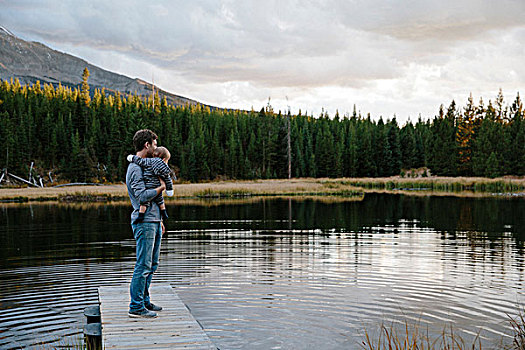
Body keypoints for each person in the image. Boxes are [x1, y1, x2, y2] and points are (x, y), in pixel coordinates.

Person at [126, 129, 166, 318]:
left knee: (152, 264)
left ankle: (144, 300)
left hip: (154, 221)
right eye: (155, 144)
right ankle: (135, 306)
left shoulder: (148, 166)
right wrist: (161, 188)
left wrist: (160, 221)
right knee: (143, 265)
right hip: (144, 223)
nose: (156, 148)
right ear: (146, 145)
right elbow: (142, 196)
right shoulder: (135, 168)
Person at [127, 146, 176, 223]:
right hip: (156, 186)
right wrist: (167, 188)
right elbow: (167, 178)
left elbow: (139, 161)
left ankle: (141, 215)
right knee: (160, 200)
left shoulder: (148, 161)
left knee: (144, 204)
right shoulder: (163, 166)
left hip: (148, 185)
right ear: (164, 159)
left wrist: (132, 157)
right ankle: (164, 212)